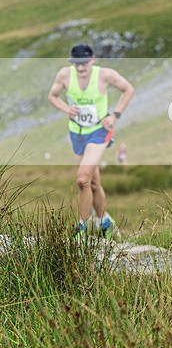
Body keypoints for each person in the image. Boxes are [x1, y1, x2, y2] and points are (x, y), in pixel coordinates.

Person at [47, 43, 134, 238]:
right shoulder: (64, 75)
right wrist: (66, 109)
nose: (80, 68)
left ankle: (81, 228)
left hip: (99, 132)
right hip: (77, 133)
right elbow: (52, 96)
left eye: (84, 64)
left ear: (92, 60)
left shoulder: (105, 75)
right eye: (76, 64)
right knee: (93, 184)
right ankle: (105, 223)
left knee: (82, 179)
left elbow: (128, 89)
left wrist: (115, 116)